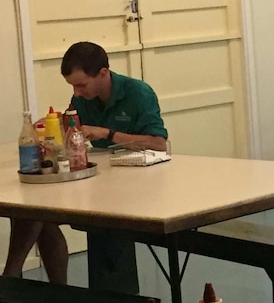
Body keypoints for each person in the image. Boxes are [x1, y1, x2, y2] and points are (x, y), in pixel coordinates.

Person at [3, 42, 168, 284]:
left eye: (81, 85)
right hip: (101, 181)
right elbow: (73, 125)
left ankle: (11, 277)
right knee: (34, 211)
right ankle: (54, 290)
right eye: (72, 86)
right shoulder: (82, 97)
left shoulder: (139, 93)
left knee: (54, 217)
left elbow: (158, 143)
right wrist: (51, 126)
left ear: (103, 73)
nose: (77, 92)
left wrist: (106, 133)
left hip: (139, 186)